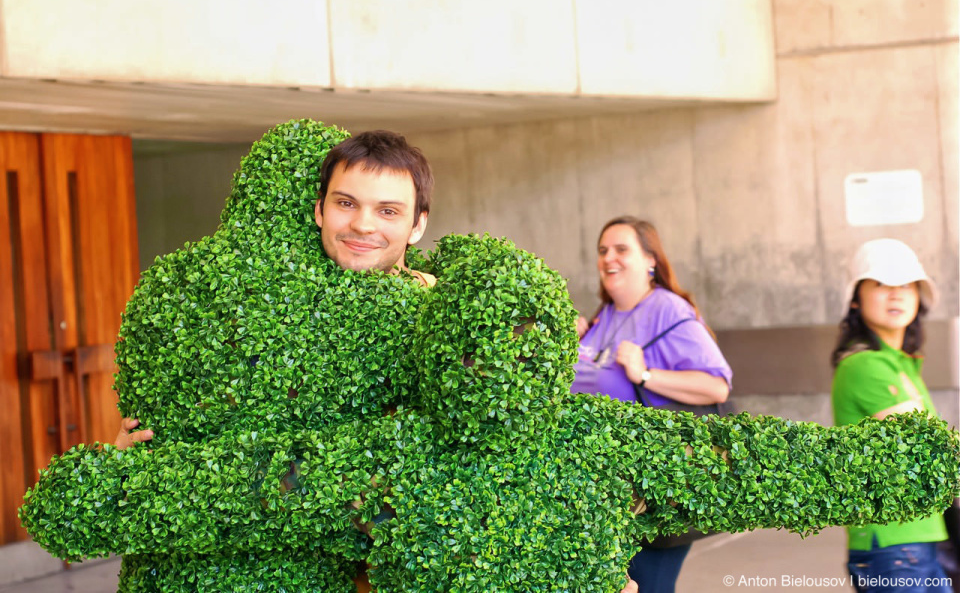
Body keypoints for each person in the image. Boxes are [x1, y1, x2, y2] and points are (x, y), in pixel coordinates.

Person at [115, 130, 639, 593]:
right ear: (319, 209)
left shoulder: (446, 313)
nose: (363, 224)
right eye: (346, 203)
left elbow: (513, 442)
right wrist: (132, 455)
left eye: (388, 210)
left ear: (417, 224)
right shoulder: (269, 306)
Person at [571, 216, 732, 593]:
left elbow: (717, 387)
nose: (608, 258)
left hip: (654, 495)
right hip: (604, 497)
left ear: (650, 260)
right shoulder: (603, 315)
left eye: (621, 249)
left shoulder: (668, 310)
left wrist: (645, 375)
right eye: (602, 250)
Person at [831, 238, 951, 593]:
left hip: (917, 538)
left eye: (907, 285)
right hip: (894, 544)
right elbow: (930, 445)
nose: (896, 293)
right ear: (856, 298)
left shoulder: (902, 364)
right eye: (881, 284)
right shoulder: (866, 364)